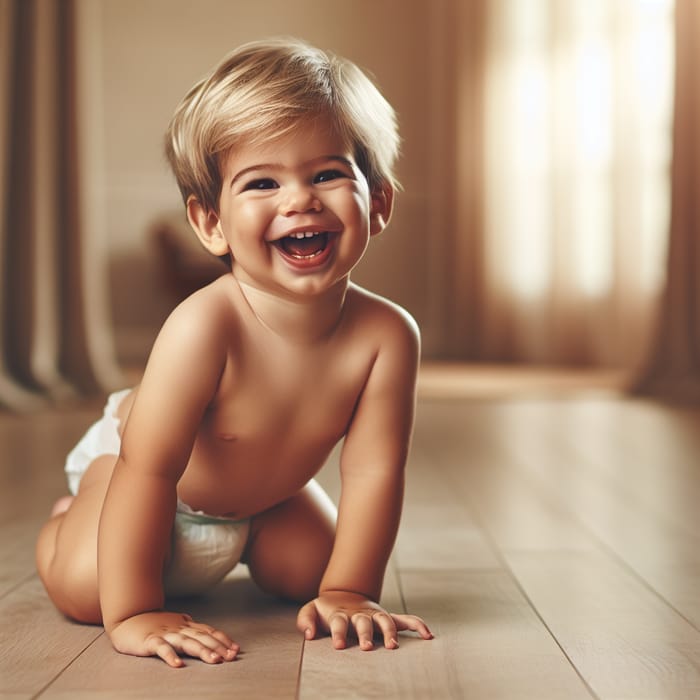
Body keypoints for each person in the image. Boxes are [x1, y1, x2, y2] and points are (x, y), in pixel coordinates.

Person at [36, 38, 432, 668]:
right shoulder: (205, 325)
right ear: (211, 222)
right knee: (89, 589)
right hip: (142, 478)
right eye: (262, 182)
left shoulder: (387, 335)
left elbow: (373, 472)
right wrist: (137, 611)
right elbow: (150, 469)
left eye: (327, 174)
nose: (299, 199)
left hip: (266, 500)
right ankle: (67, 521)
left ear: (378, 202)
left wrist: (349, 590)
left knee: (314, 575)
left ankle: (262, 547)